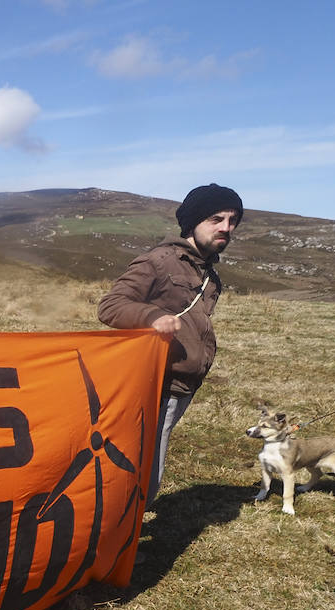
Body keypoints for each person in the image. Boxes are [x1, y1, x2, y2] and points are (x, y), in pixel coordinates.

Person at [97, 183, 243, 509]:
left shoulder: (210, 275)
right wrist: (151, 316)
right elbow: (110, 306)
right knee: (144, 472)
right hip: (156, 383)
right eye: (216, 218)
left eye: (232, 221)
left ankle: (122, 536)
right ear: (193, 222)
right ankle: (121, 546)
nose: (226, 228)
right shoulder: (160, 261)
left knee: (144, 466)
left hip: (183, 386)